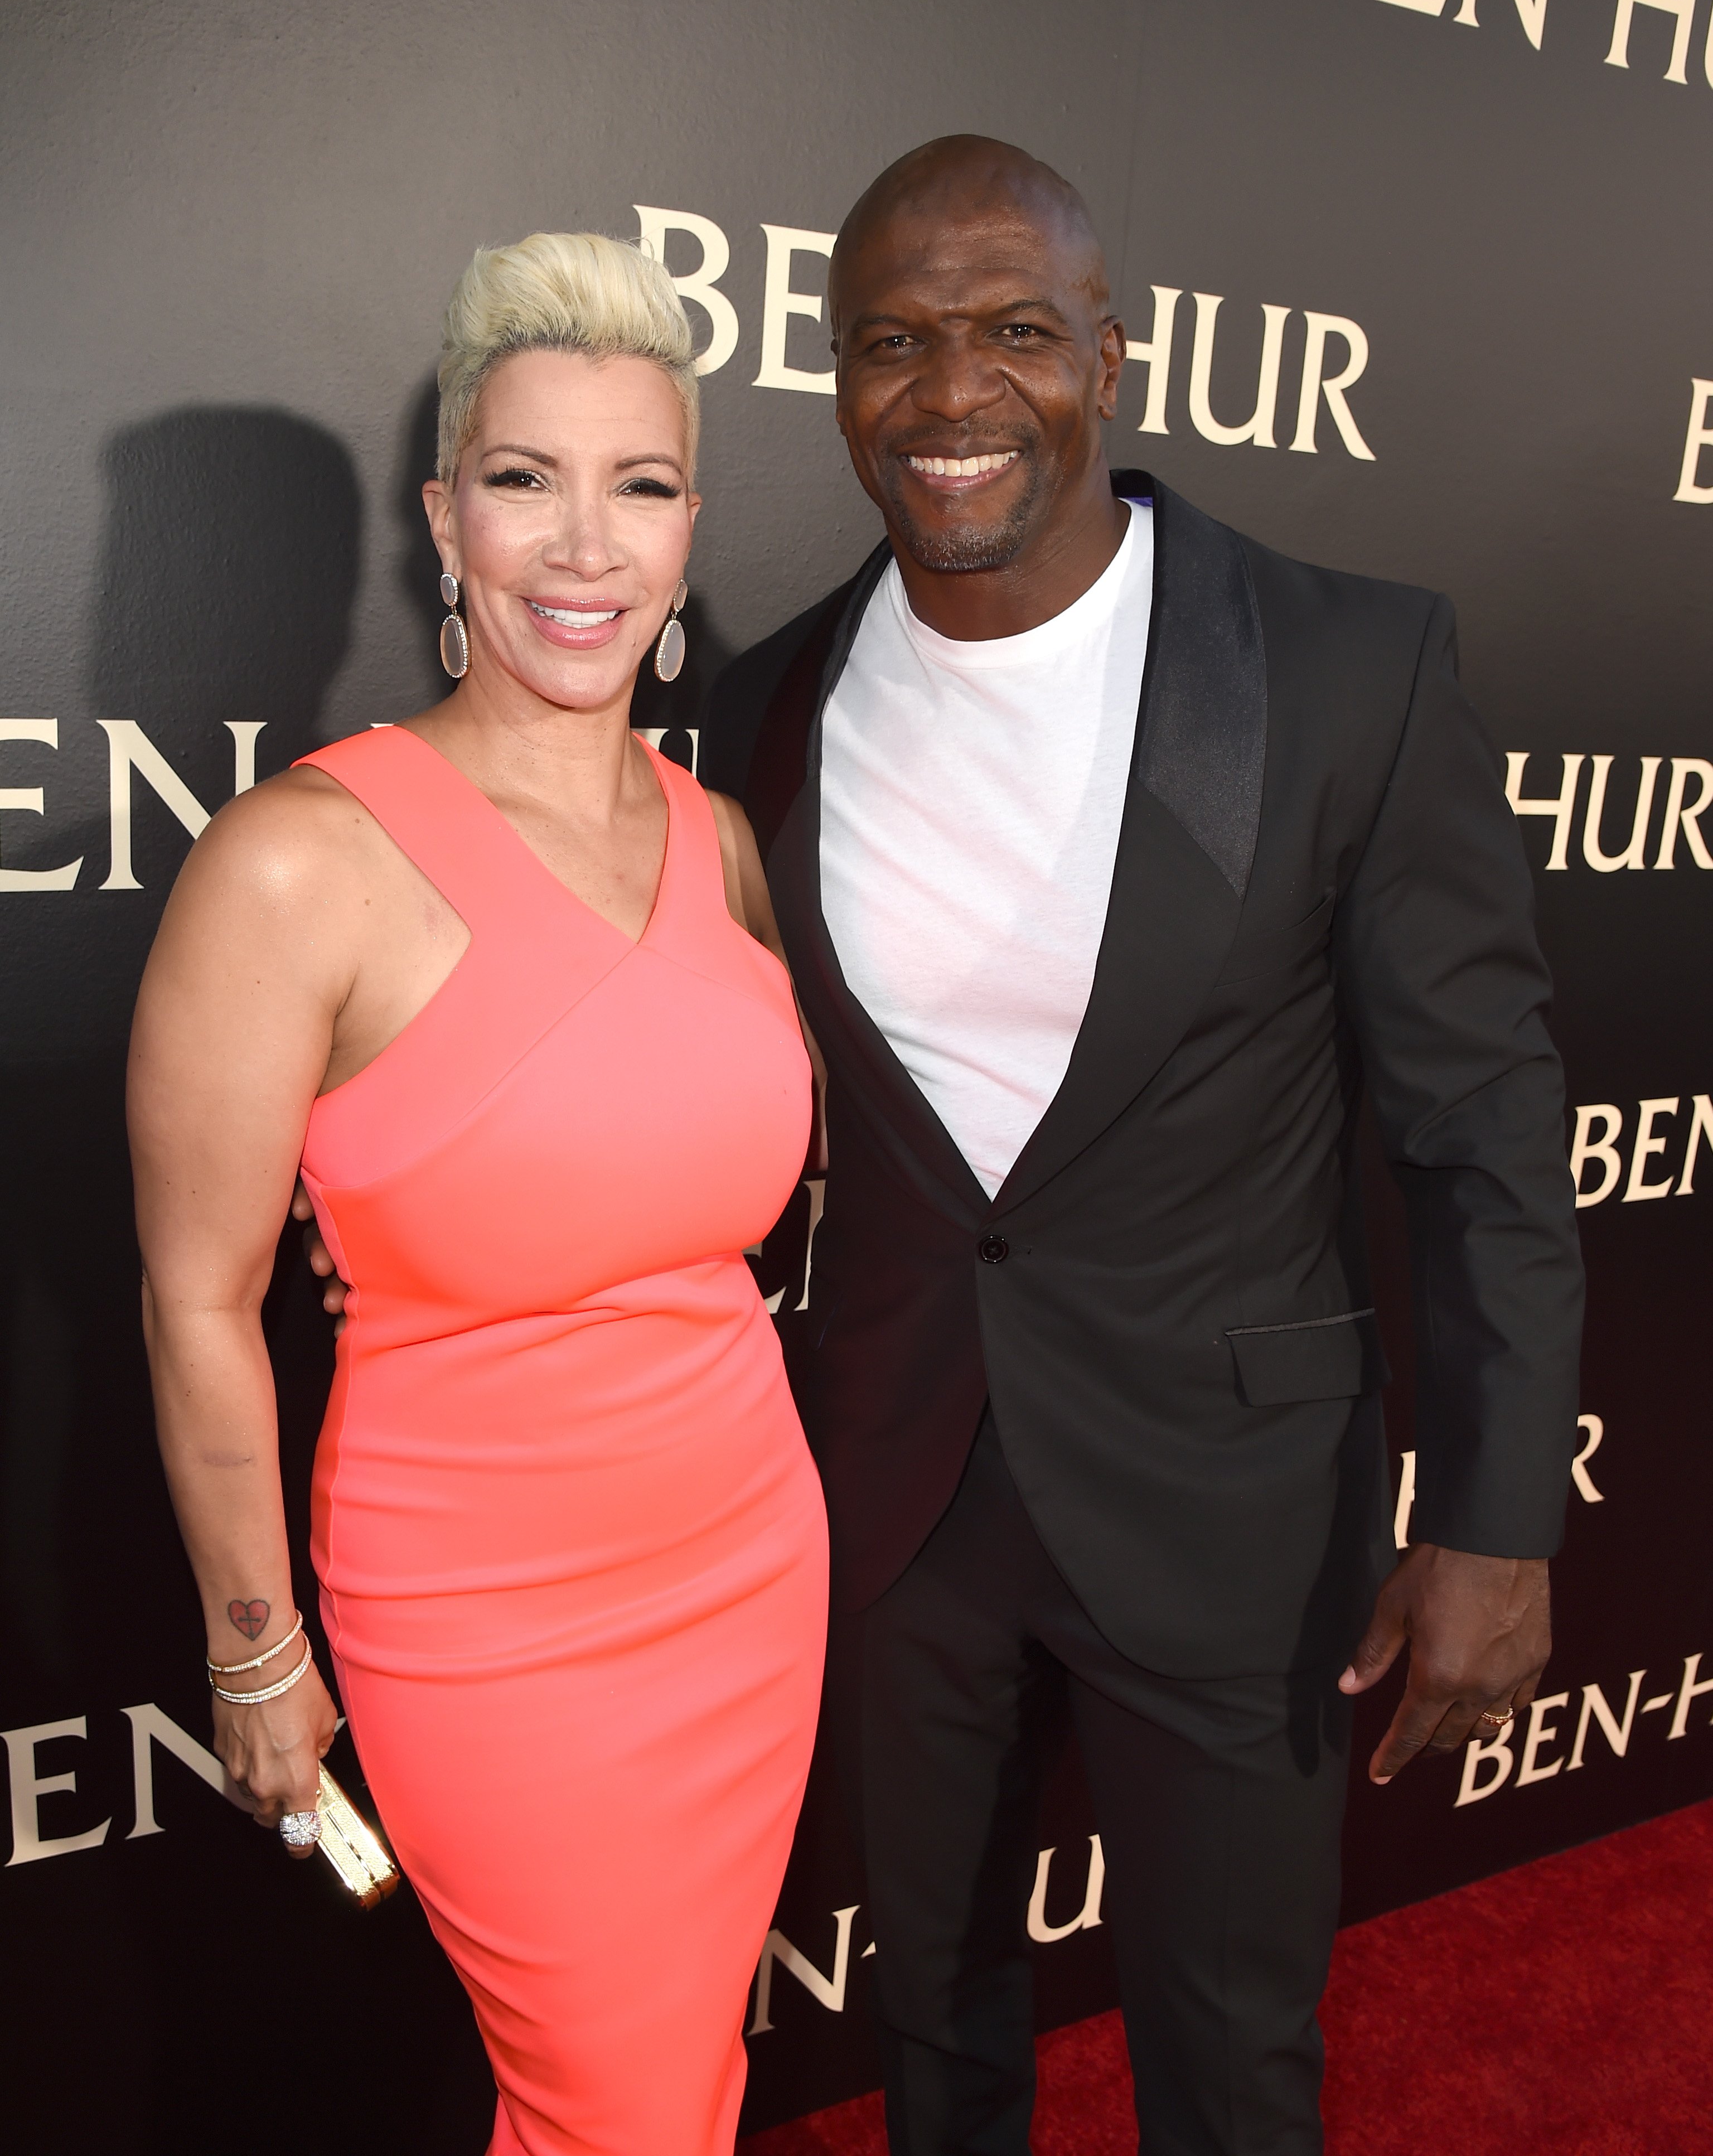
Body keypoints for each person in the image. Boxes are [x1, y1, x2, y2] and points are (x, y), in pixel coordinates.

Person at [695, 138, 1584, 2155]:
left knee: (1228, 2045)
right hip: (902, 1489)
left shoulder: (1350, 664)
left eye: (1014, 329)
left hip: (1232, 1499)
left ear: (1116, 355)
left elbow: (1482, 1125)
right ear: (833, 382)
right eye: (892, 343)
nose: (951, 393)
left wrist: (1503, 1514)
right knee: (931, 2026)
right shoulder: (765, 707)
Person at [128, 231, 828, 2156]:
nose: (584, 547)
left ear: (691, 527)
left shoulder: (726, 841)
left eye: (644, 483)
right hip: (485, 1616)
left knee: (680, 2081)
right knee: (612, 2105)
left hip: (752, 1569)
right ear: (445, 521)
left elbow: (729, 1189)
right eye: (526, 481)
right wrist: (258, 1648)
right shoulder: (296, 865)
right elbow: (199, 1297)